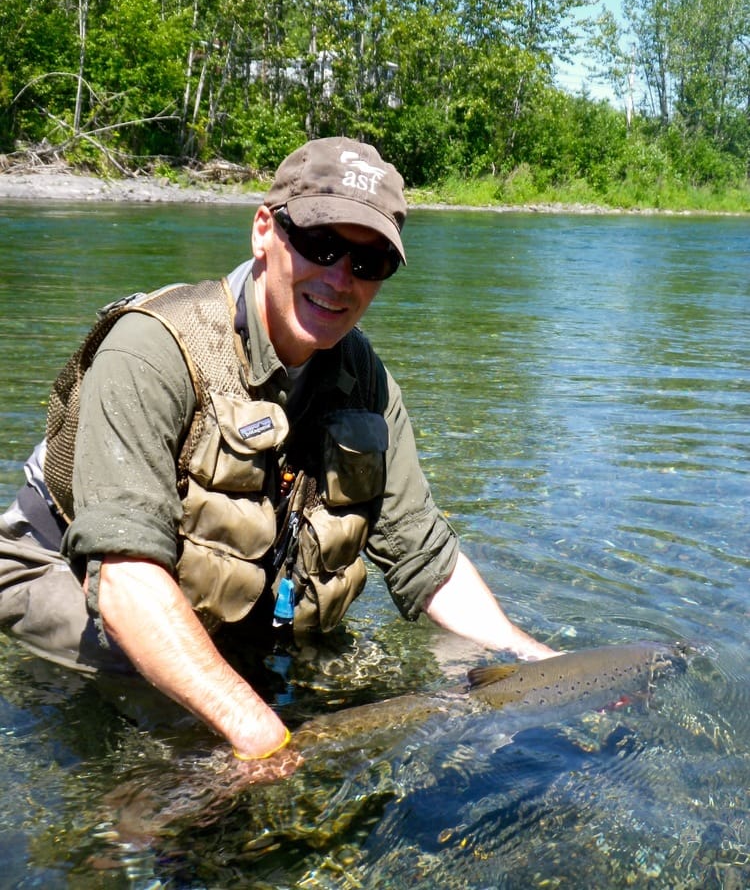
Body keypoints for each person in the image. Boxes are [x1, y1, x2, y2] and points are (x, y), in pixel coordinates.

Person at [0, 137, 555, 770]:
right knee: (183, 740)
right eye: (320, 245)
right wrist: (259, 732)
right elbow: (126, 581)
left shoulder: (366, 384)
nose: (341, 278)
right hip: (68, 573)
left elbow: (427, 559)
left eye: (369, 261)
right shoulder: (153, 350)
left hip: (211, 590)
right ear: (264, 229)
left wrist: (535, 664)